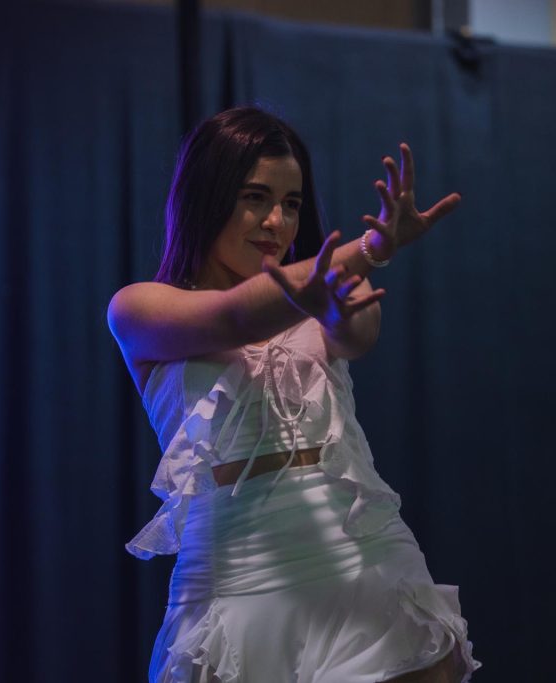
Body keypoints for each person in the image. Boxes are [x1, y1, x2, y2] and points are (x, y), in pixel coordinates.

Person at [108, 107, 481, 683]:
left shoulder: (329, 286)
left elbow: (357, 334)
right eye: (255, 197)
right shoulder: (140, 307)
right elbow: (235, 318)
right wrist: (372, 246)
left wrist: (355, 286)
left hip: (359, 552)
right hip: (232, 573)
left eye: (291, 203)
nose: (276, 222)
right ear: (205, 196)